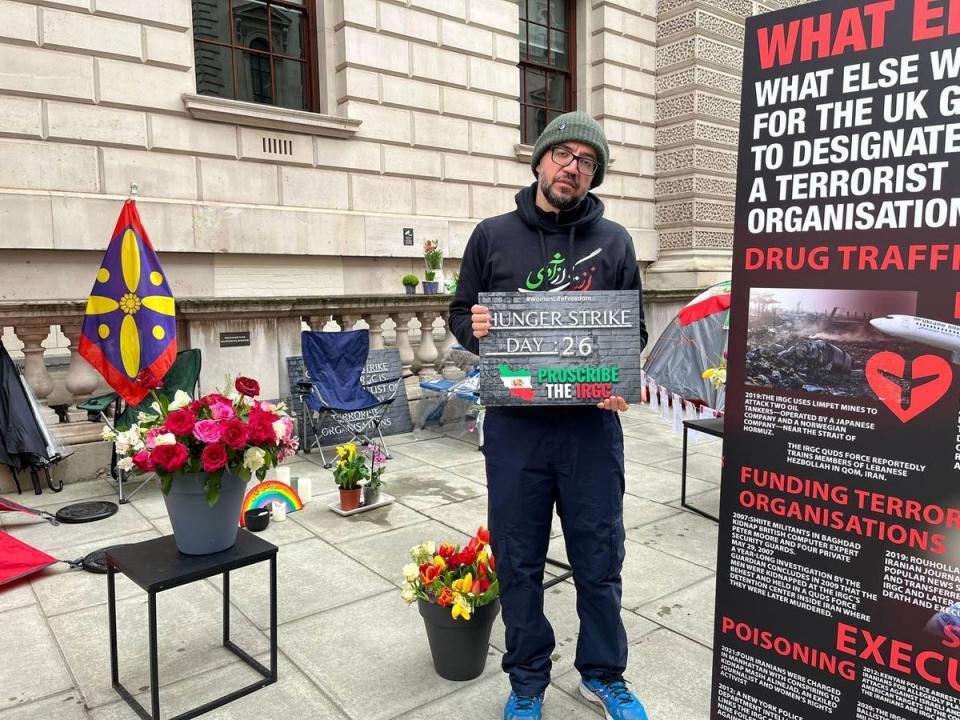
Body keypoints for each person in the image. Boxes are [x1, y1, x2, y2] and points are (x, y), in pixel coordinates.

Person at [449, 112, 649, 720]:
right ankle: (528, 680)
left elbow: (632, 328)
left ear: (595, 176)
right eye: (563, 154)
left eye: (587, 161)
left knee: (599, 553)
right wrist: (475, 329)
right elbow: (461, 313)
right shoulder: (492, 235)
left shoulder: (615, 241)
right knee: (517, 556)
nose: (573, 168)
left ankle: (603, 673)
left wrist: (619, 378)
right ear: (538, 161)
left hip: (591, 428)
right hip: (517, 429)